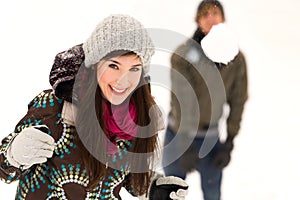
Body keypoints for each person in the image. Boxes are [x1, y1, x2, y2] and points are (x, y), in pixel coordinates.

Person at [0, 14, 189, 200]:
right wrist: (13, 155)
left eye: (134, 68)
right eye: (114, 66)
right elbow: (3, 169)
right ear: (94, 65)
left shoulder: (137, 119)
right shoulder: (55, 108)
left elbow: (127, 177)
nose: (124, 80)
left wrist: (152, 188)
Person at [162, 1, 248, 200]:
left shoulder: (236, 59)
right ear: (198, 20)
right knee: (172, 193)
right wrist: (184, 141)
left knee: (212, 192)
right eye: (205, 14)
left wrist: (230, 141)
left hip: (210, 137)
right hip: (178, 136)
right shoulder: (182, 55)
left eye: (215, 13)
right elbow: (183, 99)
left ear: (224, 19)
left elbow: (238, 100)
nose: (210, 18)